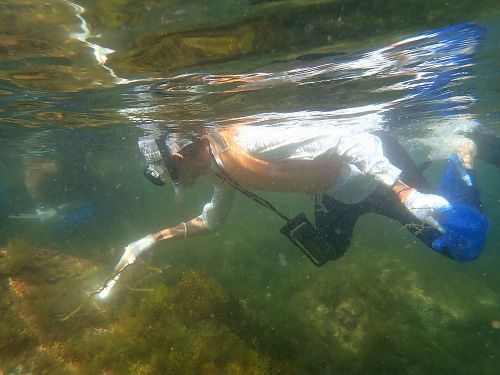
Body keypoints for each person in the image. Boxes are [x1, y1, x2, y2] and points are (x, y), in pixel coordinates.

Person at [113, 124, 488, 273]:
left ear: (181, 156)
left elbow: (354, 141)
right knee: (328, 248)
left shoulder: (246, 144)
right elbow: (211, 221)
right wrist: (148, 241)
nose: (179, 183)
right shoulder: (218, 171)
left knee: (459, 245)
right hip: (336, 194)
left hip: (376, 175)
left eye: (174, 174)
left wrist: (403, 190)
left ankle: (465, 150)